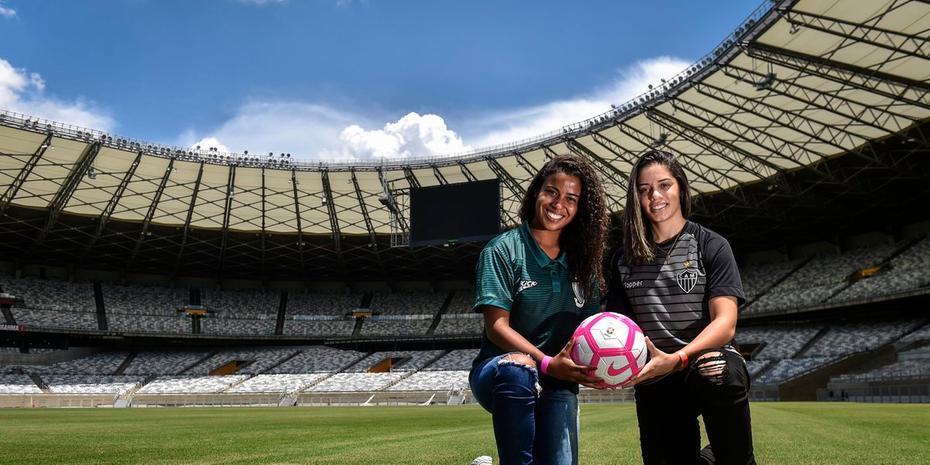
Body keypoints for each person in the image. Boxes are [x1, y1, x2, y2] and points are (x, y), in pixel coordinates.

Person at [606, 150, 756, 465]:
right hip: (656, 374)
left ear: (681, 189)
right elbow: (621, 329)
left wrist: (678, 358)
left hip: (702, 361)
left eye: (664, 185)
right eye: (645, 190)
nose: (655, 196)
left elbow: (726, 323)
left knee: (719, 372)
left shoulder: (711, 245)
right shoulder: (621, 260)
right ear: (636, 198)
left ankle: (734, 457)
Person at [469, 154, 609, 465]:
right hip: (502, 373)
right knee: (519, 367)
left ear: (580, 209)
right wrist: (544, 362)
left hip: (558, 382)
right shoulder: (503, 249)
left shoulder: (584, 263)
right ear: (536, 193)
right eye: (551, 192)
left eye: (571, 199)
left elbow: (591, 332)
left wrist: (602, 367)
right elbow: (497, 326)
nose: (559, 204)